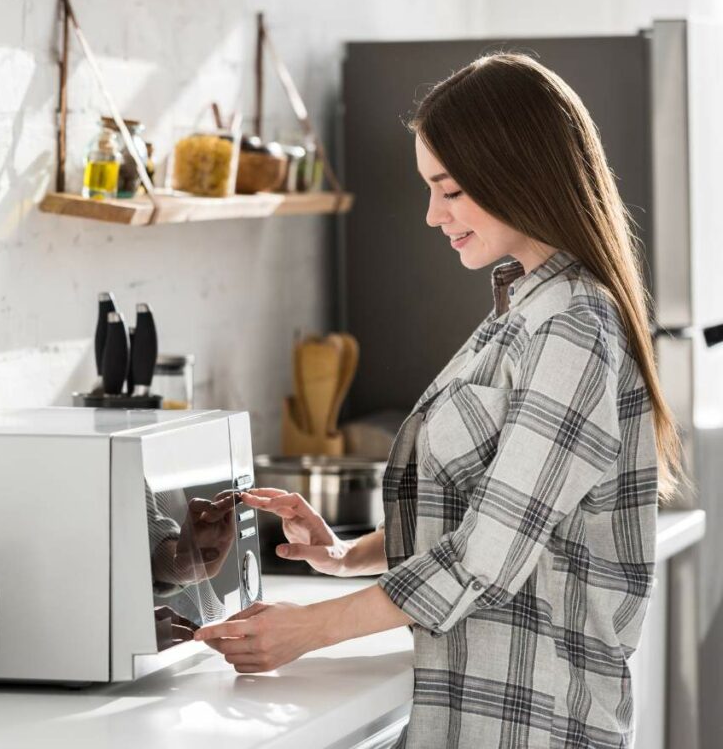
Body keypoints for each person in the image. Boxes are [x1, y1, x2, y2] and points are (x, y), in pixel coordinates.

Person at [194, 53, 683, 748]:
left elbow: (490, 554)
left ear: (517, 174)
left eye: (449, 190)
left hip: (535, 724)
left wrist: (309, 629)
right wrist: (346, 555)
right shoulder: (520, 310)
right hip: (474, 708)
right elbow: (486, 509)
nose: (432, 215)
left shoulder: (572, 328)